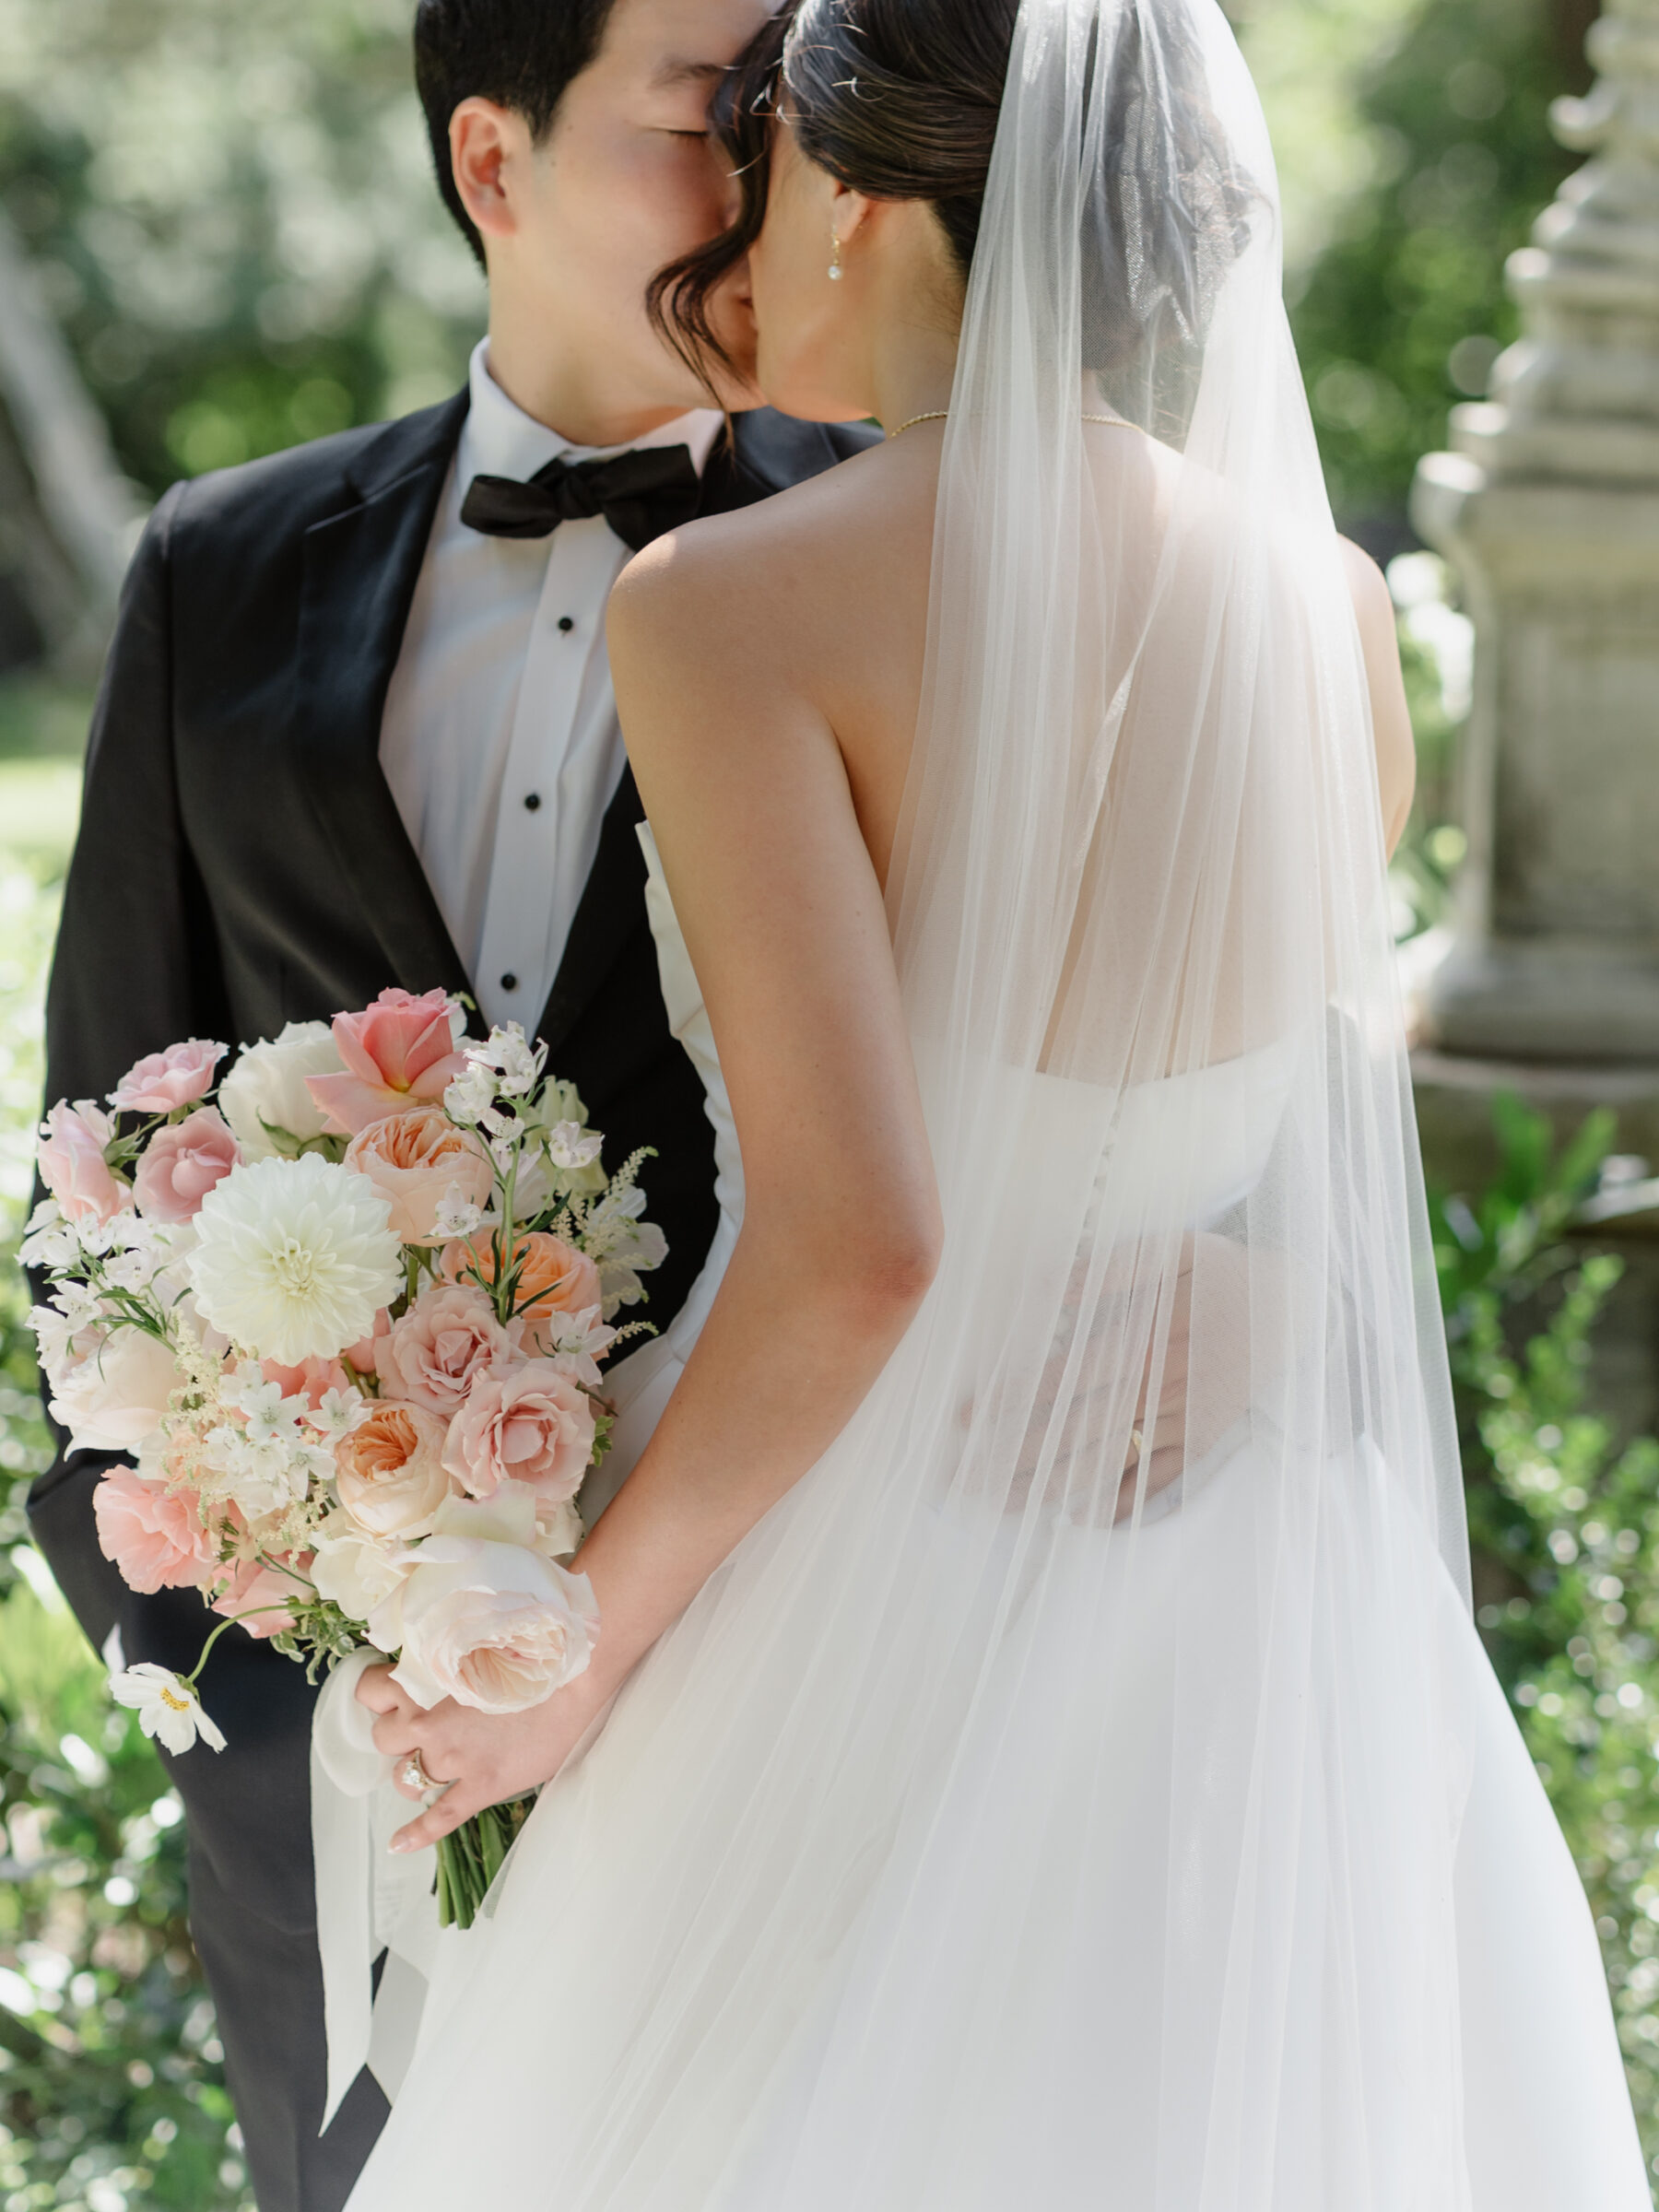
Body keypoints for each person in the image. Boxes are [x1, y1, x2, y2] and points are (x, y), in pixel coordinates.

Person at [343, 0, 1651, 2201]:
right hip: (1269, 1614)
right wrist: (1244, 1305)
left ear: (855, 199)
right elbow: (1286, 1140)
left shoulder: (735, 611)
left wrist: (575, 1655)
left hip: (877, 1582)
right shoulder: (1326, 615)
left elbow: (867, 1248)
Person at [26, 0, 876, 2203]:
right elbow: (98, 1133)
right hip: (324, 1749)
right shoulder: (220, 572)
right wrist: (234, 1652)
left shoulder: (896, 571)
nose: (783, 177)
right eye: (714, 123)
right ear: (495, 166)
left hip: (763, 1678)